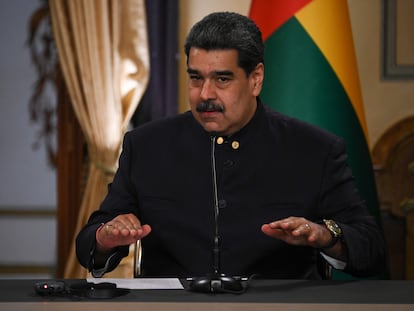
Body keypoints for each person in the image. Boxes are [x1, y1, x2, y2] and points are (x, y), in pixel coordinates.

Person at [76, 12, 387, 280]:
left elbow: (371, 249)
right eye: (195, 78)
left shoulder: (315, 149)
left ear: (256, 79)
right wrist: (106, 238)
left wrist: (325, 235)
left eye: (222, 79)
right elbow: (89, 243)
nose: (205, 94)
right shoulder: (146, 145)